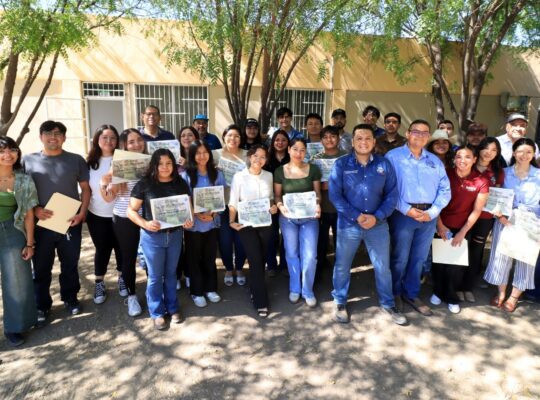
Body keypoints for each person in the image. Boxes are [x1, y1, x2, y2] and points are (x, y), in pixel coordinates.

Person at [329, 125, 406, 325]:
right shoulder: (341, 164)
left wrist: (376, 216)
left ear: (374, 141)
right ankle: (340, 301)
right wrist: (357, 216)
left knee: (382, 267)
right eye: (359, 138)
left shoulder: (384, 164)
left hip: (377, 225)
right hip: (349, 225)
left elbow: (392, 195)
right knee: (342, 265)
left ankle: (388, 303)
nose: (363, 142)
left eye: (368, 138)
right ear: (352, 142)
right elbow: (335, 195)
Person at [23, 120, 90, 322]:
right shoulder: (28, 160)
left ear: (64, 137)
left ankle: (70, 299)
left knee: (69, 263)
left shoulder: (76, 160)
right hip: (40, 223)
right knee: (41, 267)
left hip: (69, 221)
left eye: (58, 133)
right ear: (40, 136)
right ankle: (42, 306)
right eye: (48, 133)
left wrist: (82, 213)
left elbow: (85, 189)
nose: (53, 137)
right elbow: (22, 192)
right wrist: (35, 209)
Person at [386, 119, 451, 316]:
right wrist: (407, 210)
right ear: (407, 133)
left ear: (428, 137)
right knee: (400, 257)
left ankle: (411, 293)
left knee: (419, 258)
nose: (420, 136)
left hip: (428, 217)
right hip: (403, 215)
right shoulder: (393, 157)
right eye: (416, 131)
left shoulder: (434, 161)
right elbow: (387, 189)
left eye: (425, 133)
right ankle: (395, 293)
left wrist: (433, 212)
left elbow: (445, 190)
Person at [127, 149, 193, 330]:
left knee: (171, 274)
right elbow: (131, 211)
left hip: (175, 235)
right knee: (155, 276)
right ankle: (157, 312)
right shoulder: (145, 184)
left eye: (168, 163)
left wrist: (189, 220)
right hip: (152, 237)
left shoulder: (180, 183)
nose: (165, 167)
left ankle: (172, 307)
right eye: (160, 164)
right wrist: (145, 224)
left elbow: (188, 209)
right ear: (154, 165)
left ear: (174, 165)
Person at [431, 145, 489, 314]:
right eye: (459, 156)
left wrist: (463, 232)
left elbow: (477, 210)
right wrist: (440, 224)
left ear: (475, 159)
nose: (462, 160)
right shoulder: (445, 174)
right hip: (441, 223)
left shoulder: (481, 181)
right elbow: (435, 200)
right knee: (439, 262)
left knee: (455, 266)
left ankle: (451, 297)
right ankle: (437, 292)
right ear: (454, 159)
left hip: (463, 227)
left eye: (467, 157)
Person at [484, 138, 540, 312]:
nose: (524, 155)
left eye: (529, 152)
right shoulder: (504, 172)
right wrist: (500, 215)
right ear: (514, 153)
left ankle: (514, 296)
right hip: (505, 218)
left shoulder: (539, 175)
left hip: (531, 220)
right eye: (520, 151)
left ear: (534, 154)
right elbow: (495, 196)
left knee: (525, 260)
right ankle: (501, 293)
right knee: (501, 256)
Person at [100, 128, 146, 317]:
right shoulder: (118, 164)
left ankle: (154, 293)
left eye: (139, 140)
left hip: (148, 217)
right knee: (128, 258)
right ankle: (132, 296)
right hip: (124, 218)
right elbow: (109, 198)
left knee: (150, 257)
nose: (136, 144)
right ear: (124, 145)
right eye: (131, 142)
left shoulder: (150, 162)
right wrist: (103, 183)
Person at [229, 144, 277, 318]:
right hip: (246, 225)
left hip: (265, 224)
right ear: (249, 157)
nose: (259, 159)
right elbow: (233, 202)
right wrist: (231, 221)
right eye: (256, 156)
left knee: (261, 259)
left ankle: (254, 288)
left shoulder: (269, 176)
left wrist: (273, 207)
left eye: (263, 157)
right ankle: (261, 301)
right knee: (255, 259)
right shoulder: (239, 177)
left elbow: (271, 199)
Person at [274, 137, 322, 307]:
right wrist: (280, 206)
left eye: (302, 150)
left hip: (310, 218)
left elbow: (317, 193)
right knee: (291, 253)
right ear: (289, 150)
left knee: (310, 255)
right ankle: (295, 288)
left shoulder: (313, 169)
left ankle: (307, 290)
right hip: (288, 218)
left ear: (306, 152)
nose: (298, 153)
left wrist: (318, 204)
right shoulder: (280, 171)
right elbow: (277, 195)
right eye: (295, 149)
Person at [0, 137, 38, 347]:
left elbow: (29, 214)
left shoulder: (24, 180)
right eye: (2, 151)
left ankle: (14, 326)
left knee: (17, 281)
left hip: (12, 231)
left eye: (12, 150)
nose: (7, 155)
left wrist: (29, 244)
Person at [182, 141, 225, 308]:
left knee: (209, 257)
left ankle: (211, 288)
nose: (202, 156)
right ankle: (197, 291)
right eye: (198, 153)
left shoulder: (217, 174)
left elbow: (221, 198)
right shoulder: (186, 175)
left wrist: (213, 213)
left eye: (205, 152)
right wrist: (196, 213)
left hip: (211, 224)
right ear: (192, 156)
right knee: (194, 259)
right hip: (193, 225)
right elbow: (184, 200)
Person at [86, 125, 124, 305]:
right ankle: (99, 282)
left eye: (113, 137)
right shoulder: (89, 163)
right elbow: (85, 190)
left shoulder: (123, 160)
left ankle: (122, 278)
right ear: (97, 139)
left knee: (121, 248)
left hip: (121, 214)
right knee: (102, 249)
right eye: (105, 137)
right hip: (97, 215)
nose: (109, 141)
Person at [466, 137, 504, 296]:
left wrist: (499, 209)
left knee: (476, 250)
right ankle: (455, 284)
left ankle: (467, 286)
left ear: (497, 153)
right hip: (464, 214)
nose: (489, 152)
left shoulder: (498, 171)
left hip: (485, 217)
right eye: (486, 148)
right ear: (479, 149)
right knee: (460, 247)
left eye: (494, 150)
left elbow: (498, 195)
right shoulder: (468, 164)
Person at [213, 124, 248, 286]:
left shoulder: (247, 155)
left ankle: (239, 268)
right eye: (229, 135)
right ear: (224, 137)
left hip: (241, 204)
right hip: (222, 204)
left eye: (236, 136)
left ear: (241, 139)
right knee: (225, 240)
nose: (233, 139)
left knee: (241, 240)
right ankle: (228, 268)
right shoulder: (214, 154)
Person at [310, 125, 347, 277]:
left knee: (341, 241)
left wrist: (336, 185)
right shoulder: (315, 159)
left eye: (332, 136)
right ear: (321, 140)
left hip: (342, 208)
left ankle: (340, 272)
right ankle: (319, 270)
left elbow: (353, 181)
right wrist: (320, 185)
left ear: (338, 138)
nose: (329, 140)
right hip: (323, 206)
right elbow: (310, 182)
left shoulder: (346, 157)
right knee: (321, 240)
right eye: (325, 137)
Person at [264, 130, 290, 276]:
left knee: (287, 236)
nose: (280, 143)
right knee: (271, 235)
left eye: (284, 140)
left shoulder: (292, 158)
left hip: (288, 203)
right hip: (270, 203)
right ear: (272, 142)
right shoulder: (266, 160)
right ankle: (271, 265)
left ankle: (285, 264)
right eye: (277, 140)